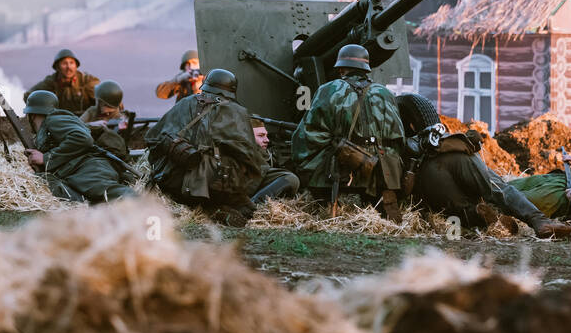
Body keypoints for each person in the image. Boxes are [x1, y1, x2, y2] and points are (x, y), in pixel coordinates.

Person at [395, 93, 571, 238]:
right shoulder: (446, 142)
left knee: (456, 209)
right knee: (498, 188)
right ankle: (539, 220)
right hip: (457, 161)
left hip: (426, 179)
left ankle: (478, 215)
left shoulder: (398, 147)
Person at [146, 68, 286, 225]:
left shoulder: (184, 103)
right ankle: (221, 209)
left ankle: (209, 208)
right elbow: (247, 156)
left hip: (173, 182)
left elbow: (153, 138)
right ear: (231, 90)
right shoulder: (235, 111)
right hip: (211, 187)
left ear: (206, 85)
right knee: (247, 203)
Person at [290, 44, 407, 220]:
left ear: (341, 69)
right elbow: (400, 138)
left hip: (345, 170)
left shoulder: (329, 90)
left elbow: (306, 135)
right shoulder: (386, 93)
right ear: (366, 69)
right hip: (382, 172)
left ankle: (325, 203)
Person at [22, 89, 135, 204]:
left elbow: (83, 138)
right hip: (79, 171)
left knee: (108, 191)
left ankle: (145, 209)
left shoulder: (53, 119)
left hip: (89, 167)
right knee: (94, 202)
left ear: (32, 115)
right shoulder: (49, 127)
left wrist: (46, 158)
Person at [24, 48, 99, 114]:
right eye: (64, 63)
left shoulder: (86, 81)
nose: (68, 67)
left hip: (85, 121)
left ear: (76, 66)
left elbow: (103, 99)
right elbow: (28, 96)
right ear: (57, 67)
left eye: (71, 63)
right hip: (60, 123)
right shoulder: (51, 82)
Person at [79, 79, 132, 161]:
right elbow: (76, 125)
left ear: (103, 103)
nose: (97, 102)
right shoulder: (92, 111)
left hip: (107, 155)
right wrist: (93, 125)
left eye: (99, 101)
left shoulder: (120, 118)